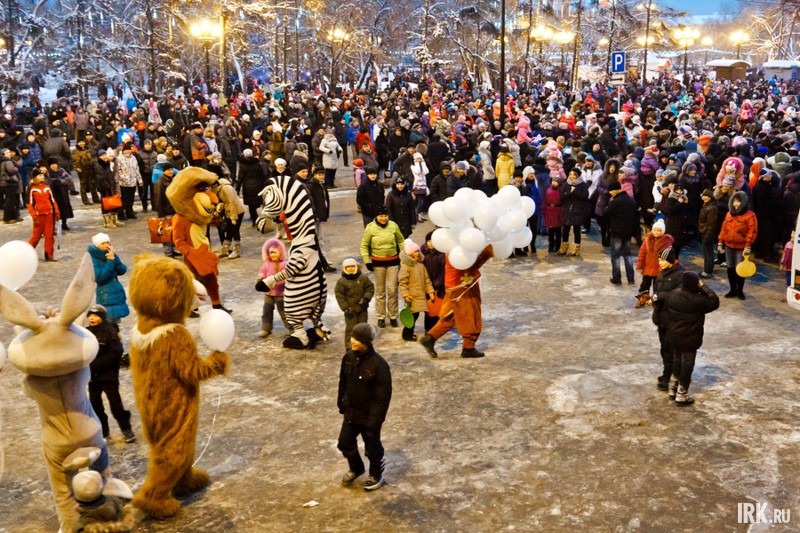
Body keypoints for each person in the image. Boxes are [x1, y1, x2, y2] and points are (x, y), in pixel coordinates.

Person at [337, 323, 392, 491]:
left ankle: (376, 474)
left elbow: (382, 398)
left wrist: (374, 421)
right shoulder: (348, 358)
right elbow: (343, 383)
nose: (353, 340)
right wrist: (341, 402)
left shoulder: (379, 365)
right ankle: (357, 467)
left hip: (369, 416)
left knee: (372, 448)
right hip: (351, 412)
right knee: (344, 443)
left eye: (358, 339)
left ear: (367, 342)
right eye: (352, 337)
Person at [419, 244, 494, 359]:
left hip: (457, 285)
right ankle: (468, 347)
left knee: (452, 316)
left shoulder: (454, 243)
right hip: (462, 288)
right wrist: (486, 253)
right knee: (470, 315)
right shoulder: (457, 248)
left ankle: (430, 338)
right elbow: (469, 266)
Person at [659, 272, 720, 406]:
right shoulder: (698, 301)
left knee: (676, 360)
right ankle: (682, 394)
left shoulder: (673, 295)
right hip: (690, 337)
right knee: (687, 364)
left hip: (673, 334)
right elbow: (714, 301)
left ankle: (672, 388)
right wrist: (703, 286)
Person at [86, 304, 135, 442]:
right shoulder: (86, 333)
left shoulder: (109, 331)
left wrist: (95, 365)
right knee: (95, 405)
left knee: (116, 404)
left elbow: (116, 352)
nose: (92, 318)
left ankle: (126, 429)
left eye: (95, 315)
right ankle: (103, 431)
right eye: (90, 315)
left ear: (102, 317)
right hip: (92, 377)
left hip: (108, 376)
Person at [360, 205, 405, 328]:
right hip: (378, 263)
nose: (383, 218)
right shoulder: (370, 228)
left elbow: (401, 241)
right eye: (381, 216)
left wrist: (403, 255)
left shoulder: (393, 226)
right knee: (380, 291)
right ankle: (380, 317)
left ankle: (393, 316)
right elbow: (364, 245)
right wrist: (367, 261)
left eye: (385, 215)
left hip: (393, 262)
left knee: (392, 290)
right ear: (376, 216)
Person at [649, 247, 684, 393]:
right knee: (664, 349)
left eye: (662, 260)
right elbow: (657, 292)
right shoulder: (661, 274)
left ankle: (668, 378)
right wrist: (653, 299)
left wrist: (660, 296)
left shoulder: (680, 275)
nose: (660, 262)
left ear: (670, 260)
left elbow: (679, 297)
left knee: (670, 350)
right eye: (659, 259)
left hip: (672, 320)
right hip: (661, 318)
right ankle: (667, 374)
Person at [718, 191, 758, 300]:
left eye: (738, 201)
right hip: (728, 245)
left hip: (742, 247)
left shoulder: (750, 215)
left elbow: (752, 231)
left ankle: (740, 291)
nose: (736, 204)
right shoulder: (729, 214)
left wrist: (748, 245)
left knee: (740, 269)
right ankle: (732, 289)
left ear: (744, 202)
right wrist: (720, 242)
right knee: (730, 268)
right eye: (734, 201)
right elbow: (724, 228)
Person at [88, 233, 130, 323]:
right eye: (103, 243)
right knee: (108, 321)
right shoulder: (94, 259)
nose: (106, 245)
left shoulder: (110, 254)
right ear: (97, 245)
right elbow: (100, 277)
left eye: (108, 242)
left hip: (116, 292)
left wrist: (115, 258)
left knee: (116, 323)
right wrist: (110, 261)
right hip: (105, 295)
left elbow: (122, 270)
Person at [335, 257, 375, 350]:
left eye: (353, 266)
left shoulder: (363, 278)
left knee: (363, 328)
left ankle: (364, 345)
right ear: (344, 268)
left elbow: (370, 288)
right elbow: (339, 295)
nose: (351, 268)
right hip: (350, 310)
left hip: (362, 308)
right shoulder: (342, 281)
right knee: (351, 329)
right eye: (348, 267)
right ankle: (350, 347)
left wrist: (366, 298)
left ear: (357, 266)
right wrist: (345, 307)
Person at [398, 239, 434, 341]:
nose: (417, 253)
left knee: (418, 314)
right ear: (409, 254)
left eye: (418, 251)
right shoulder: (406, 267)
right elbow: (402, 282)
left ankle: (416, 332)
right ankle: (407, 334)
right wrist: (405, 294)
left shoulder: (421, 266)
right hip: (412, 297)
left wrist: (430, 291)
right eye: (414, 252)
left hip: (421, 295)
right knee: (412, 316)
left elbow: (427, 280)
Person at [603, 180, 638, 285]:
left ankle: (617, 278)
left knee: (615, 256)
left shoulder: (615, 202)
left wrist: (608, 203)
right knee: (627, 255)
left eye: (611, 191)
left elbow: (605, 213)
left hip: (617, 232)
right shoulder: (631, 200)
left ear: (616, 190)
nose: (610, 193)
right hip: (628, 232)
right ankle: (631, 278)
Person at [635, 219, 674, 307]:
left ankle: (657, 302)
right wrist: (639, 264)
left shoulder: (666, 242)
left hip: (659, 268)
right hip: (648, 267)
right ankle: (643, 299)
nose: (656, 232)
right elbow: (642, 252)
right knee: (644, 285)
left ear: (663, 231)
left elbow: (668, 256)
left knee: (658, 287)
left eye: (659, 230)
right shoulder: (647, 240)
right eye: (654, 230)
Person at [256, 238, 290, 337]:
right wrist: (260, 279)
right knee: (266, 311)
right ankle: (266, 328)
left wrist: (278, 282)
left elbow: (286, 276)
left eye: (275, 252)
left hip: (280, 293)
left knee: (284, 312)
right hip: (268, 293)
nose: (272, 255)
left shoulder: (284, 265)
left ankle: (291, 328)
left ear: (280, 252)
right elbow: (261, 273)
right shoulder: (266, 265)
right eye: (271, 253)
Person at [27, 168, 60, 261]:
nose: (42, 177)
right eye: (40, 175)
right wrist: (33, 215)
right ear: (35, 177)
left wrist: (56, 212)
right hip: (39, 216)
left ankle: (49, 254)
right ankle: (26, 252)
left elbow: (53, 201)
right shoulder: (32, 188)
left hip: (49, 214)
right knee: (35, 236)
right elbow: (29, 203)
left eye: (43, 175)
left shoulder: (47, 187)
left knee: (49, 235)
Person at [559, 167, 591, 256]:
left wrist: (575, 191)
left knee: (576, 230)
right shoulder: (566, 184)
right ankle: (563, 248)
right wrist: (569, 192)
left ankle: (576, 249)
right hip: (567, 210)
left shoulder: (582, 185)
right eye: (571, 174)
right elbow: (562, 196)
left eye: (574, 175)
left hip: (578, 210)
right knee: (565, 229)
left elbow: (585, 196)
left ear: (578, 176)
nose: (572, 176)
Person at [697, 189, 718, 278]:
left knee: (708, 252)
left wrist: (708, 236)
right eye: (704, 196)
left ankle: (708, 271)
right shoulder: (705, 205)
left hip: (707, 233)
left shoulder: (712, 208)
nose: (705, 197)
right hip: (704, 231)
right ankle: (706, 269)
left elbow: (712, 224)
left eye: (707, 196)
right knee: (706, 252)